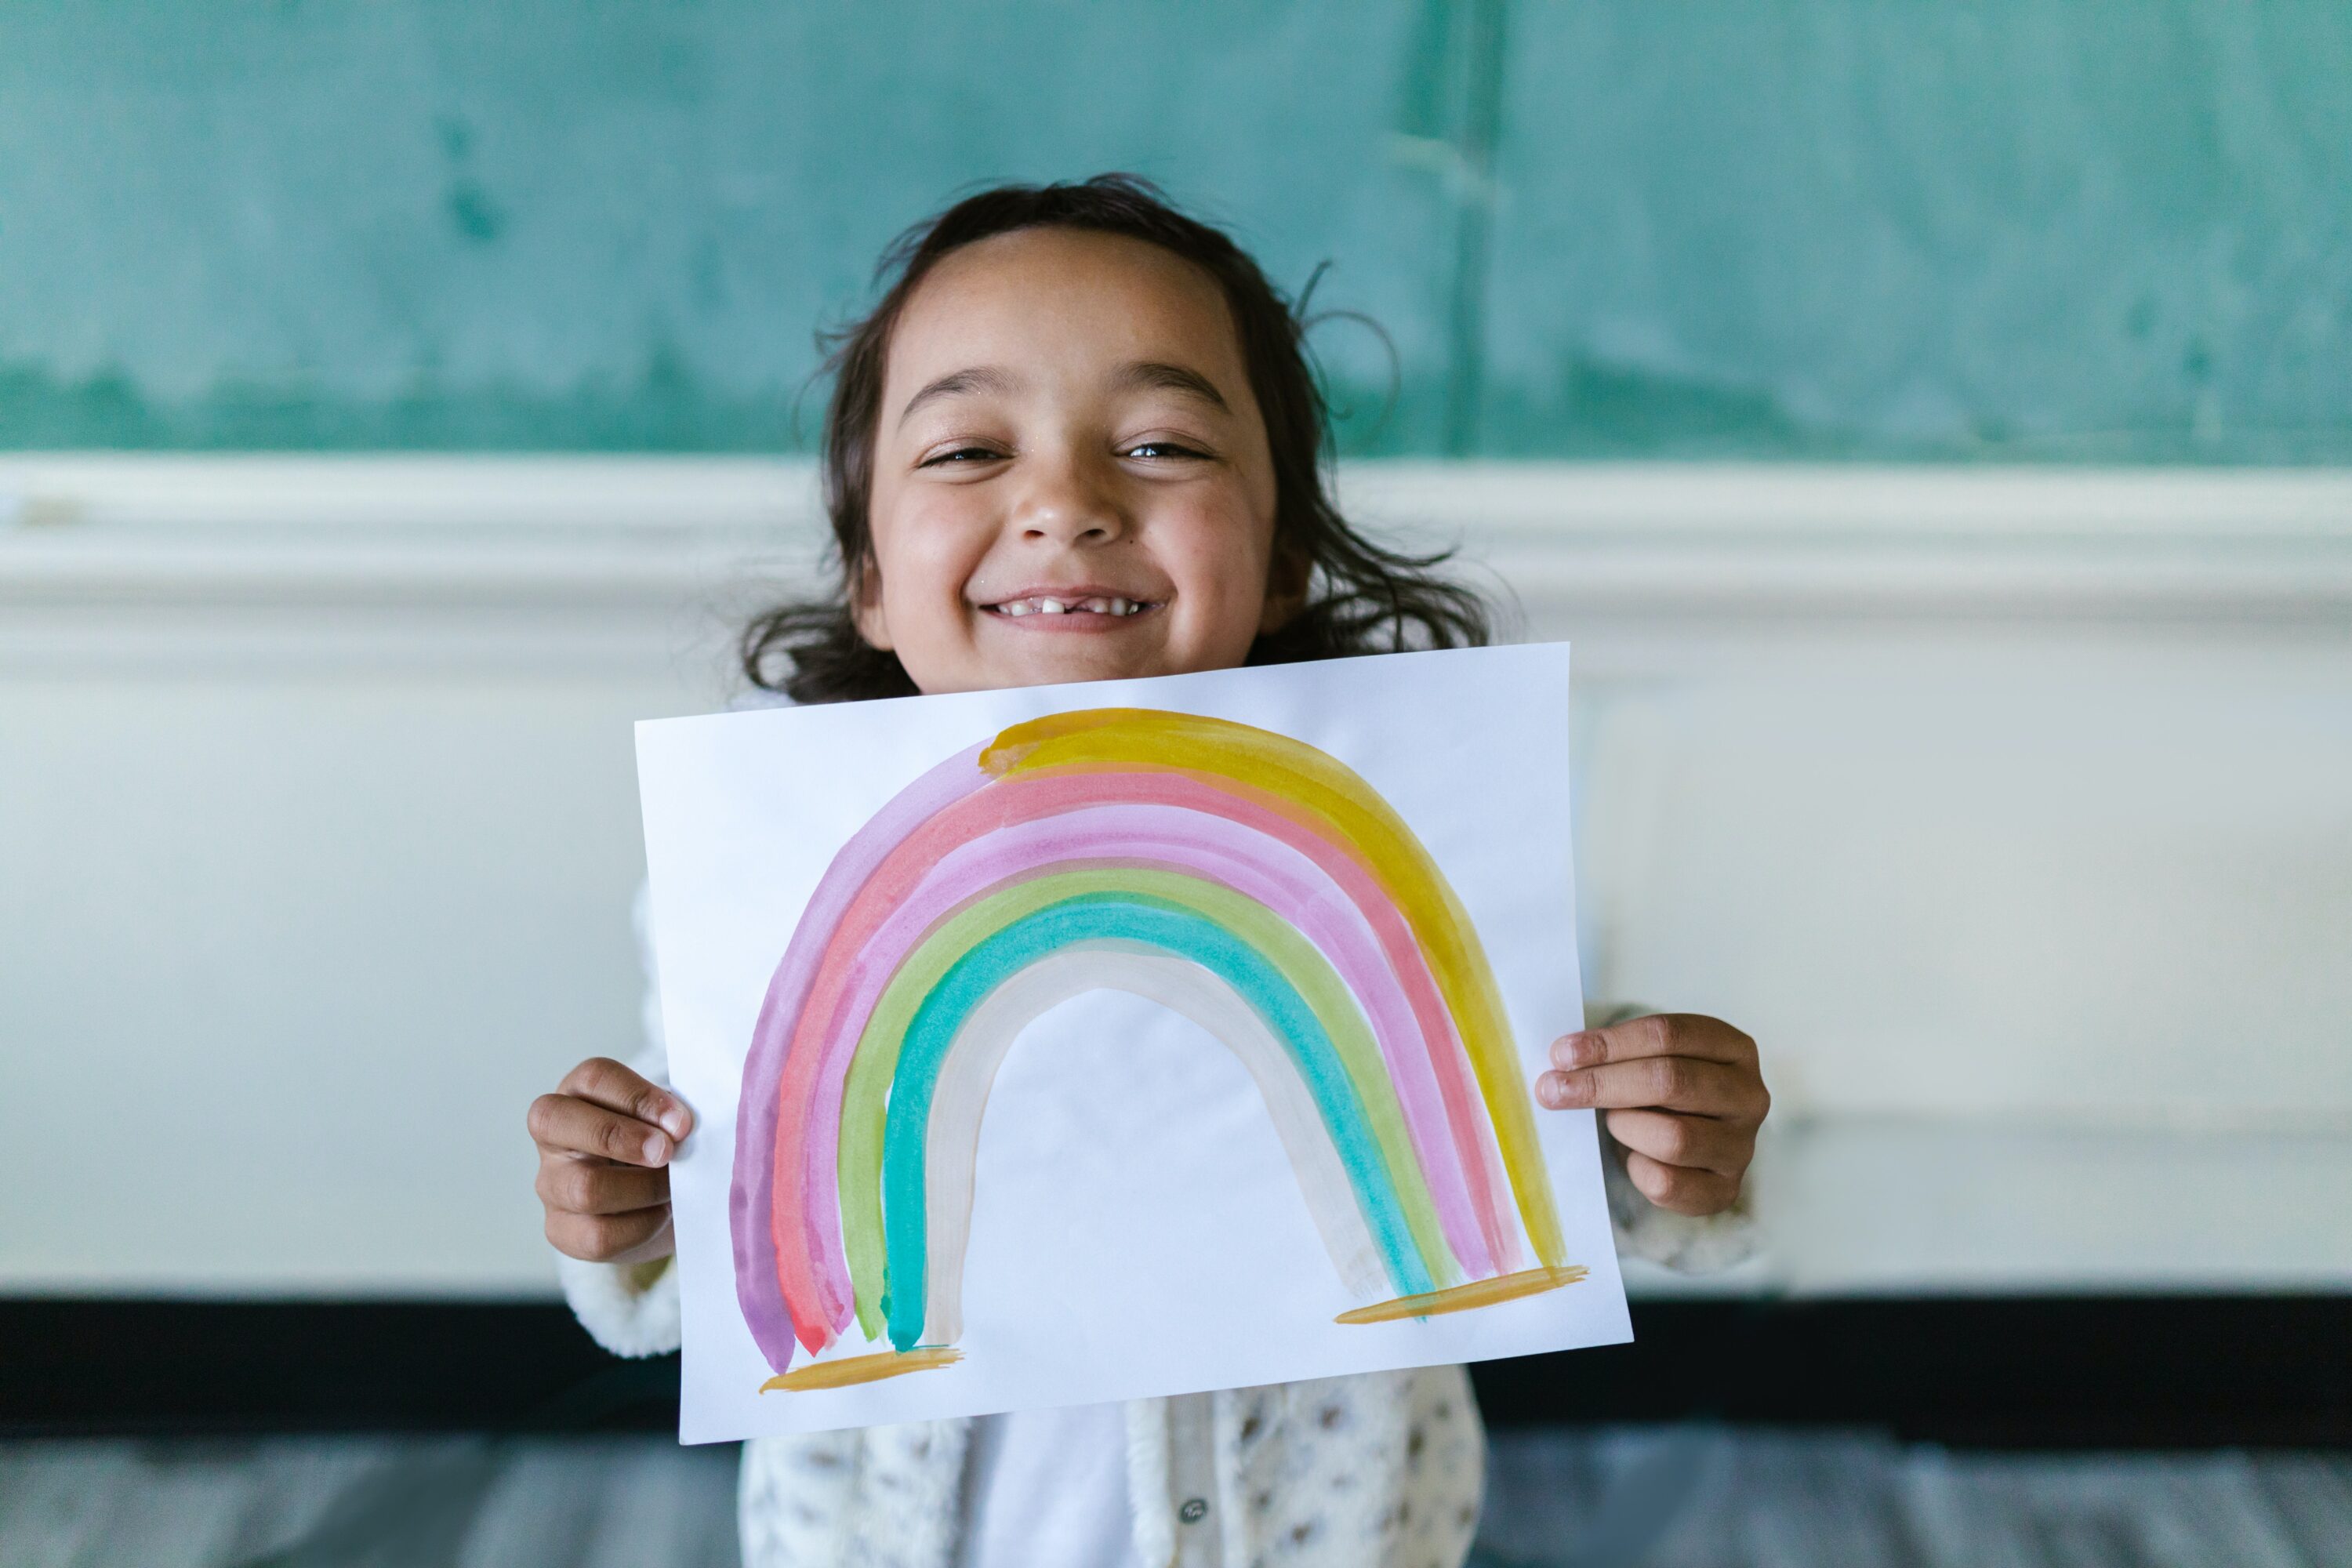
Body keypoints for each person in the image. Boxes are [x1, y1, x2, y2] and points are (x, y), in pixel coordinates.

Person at [527, 175, 1769, 1568]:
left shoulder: (1411, 843)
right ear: (871, 575)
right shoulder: (772, 869)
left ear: (1286, 550)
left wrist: (1656, 1144)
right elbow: (735, 1223)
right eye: (963, 452)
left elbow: (1509, 1142)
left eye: (1164, 442)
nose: (1065, 501)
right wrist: (627, 1208)